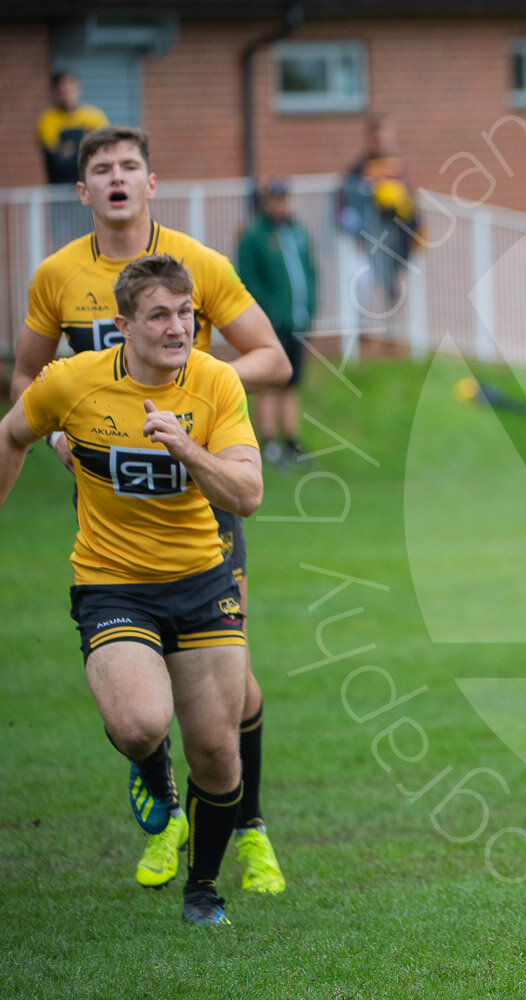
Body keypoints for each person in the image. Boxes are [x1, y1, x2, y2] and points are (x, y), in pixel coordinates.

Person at [11, 124, 291, 895]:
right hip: (110, 488)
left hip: (202, 487)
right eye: (102, 168)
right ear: (83, 190)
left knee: (235, 689)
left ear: (151, 182)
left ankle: (250, 829)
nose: (117, 178)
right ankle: (163, 797)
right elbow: (27, 380)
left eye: (130, 165)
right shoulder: (57, 275)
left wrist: (194, 386)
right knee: (140, 701)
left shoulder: (198, 264)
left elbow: (273, 356)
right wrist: (57, 436)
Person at [237, 177, 318, 469]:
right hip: (270, 324)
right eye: (275, 199)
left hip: (298, 321)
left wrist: (310, 307)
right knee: (270, 381)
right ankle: (268, 441)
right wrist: (271, 311)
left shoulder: (298, 231)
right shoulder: (254, 236)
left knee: (292, 381)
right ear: (266, 202)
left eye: (284, 198)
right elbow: (248, 280)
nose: (281, 204)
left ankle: (291, 441)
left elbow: (309, 272)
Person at [336, 114, 420, 318]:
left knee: (395, 287)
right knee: (364, 284)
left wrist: (416, 230)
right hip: (367, 240)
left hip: (395, 239)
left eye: (387, 134)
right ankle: (363, 331)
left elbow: (410, 204)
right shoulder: (360, 169)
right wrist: (353, 232)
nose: (382, 140)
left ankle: (392, 330)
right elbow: (344, 203)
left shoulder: (397, 168)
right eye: (378, 135)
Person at [36, 70, 109, 249]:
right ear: (54, 92)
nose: (67, 94)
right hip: (61, 194)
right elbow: (57, 163)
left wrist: (70, 149)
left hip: (91, 192)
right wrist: (84, 142)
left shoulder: (94, 117)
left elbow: (104, 154)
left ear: (78, 88)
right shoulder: (48, 121)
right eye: (62, 90)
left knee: (95, 239)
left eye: (70, 89)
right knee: (65, 243)